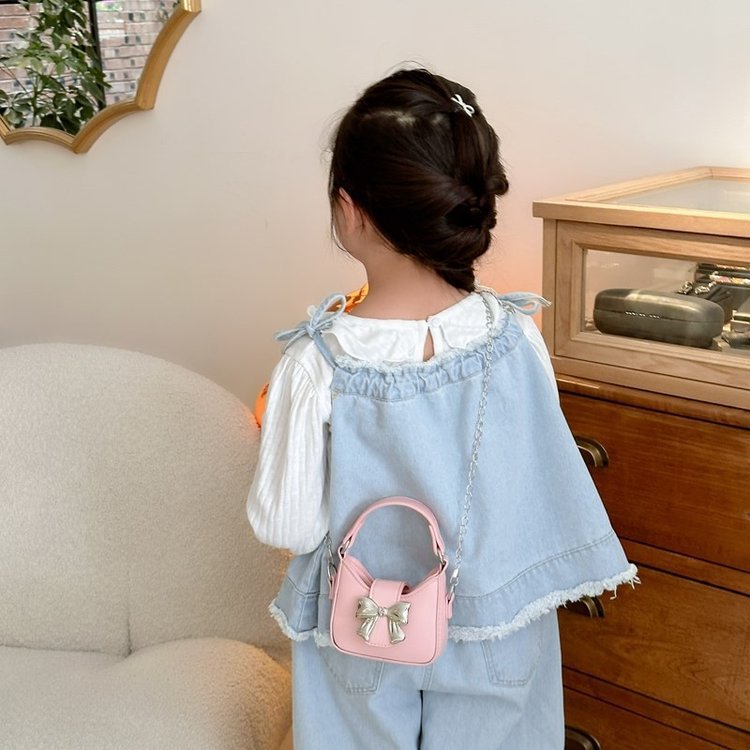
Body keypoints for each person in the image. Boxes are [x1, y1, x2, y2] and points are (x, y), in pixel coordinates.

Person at [247, 68, 637, 749]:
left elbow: (287, 522)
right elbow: (532, 481)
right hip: (498, 622)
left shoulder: (316, 364)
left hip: (366, 624)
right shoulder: (516, 336)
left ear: (349, 210)